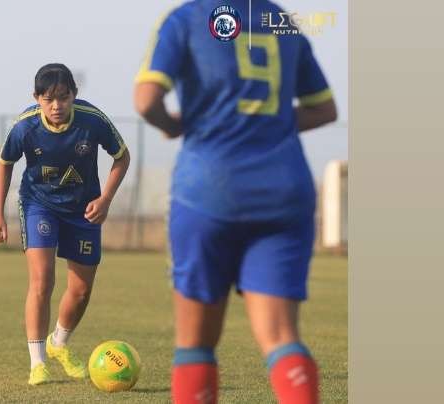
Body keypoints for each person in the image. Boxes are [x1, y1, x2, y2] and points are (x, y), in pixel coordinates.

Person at [134, 1, 337, 403]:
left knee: (196, 344)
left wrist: (175, 125)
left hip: (210, 189)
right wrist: (269, 122)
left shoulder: (187, 18)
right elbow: (324, 108)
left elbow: (146, 101)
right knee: (281, 337)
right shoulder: (278, 20)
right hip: (283, 190)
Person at [0, 63, 130, 385]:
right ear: (37, 98)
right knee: (43, 280)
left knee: (80, 291)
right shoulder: (25, 127)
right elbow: (4, 163)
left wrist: (105, 199)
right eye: (48, 99)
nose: (56, 106)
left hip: (83, 210)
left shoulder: (92, 120)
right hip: (39, 205)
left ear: (73, 96)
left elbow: (122, 157)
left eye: (63, 98)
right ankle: (37, 362)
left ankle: (58, 344)